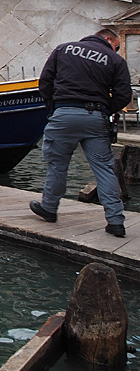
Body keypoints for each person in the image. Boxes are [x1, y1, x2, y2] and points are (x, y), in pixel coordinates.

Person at [31, 28, 131, 237]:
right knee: (104, 169)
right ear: (108, 39)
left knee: (57, 165)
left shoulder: (63, 49)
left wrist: (54, 107)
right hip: (96, 117)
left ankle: (49, 208)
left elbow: (45, 83)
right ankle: (115, 222)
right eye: (117, 46)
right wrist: (105, 110)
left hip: (64, 114)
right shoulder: (115, 60)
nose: (117, 49)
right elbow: (123, 96)